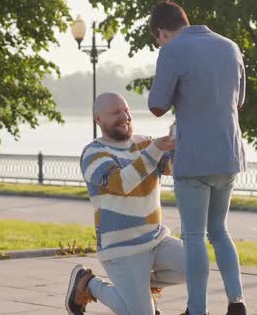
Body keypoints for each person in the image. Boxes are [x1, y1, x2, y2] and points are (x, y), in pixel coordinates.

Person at [147, 1, 247, 315]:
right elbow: (239, 101)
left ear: (163, 31)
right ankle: (237, 303)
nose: (160, 45)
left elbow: (156, 105)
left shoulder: (172, 50)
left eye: (157, 40)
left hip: (193, 158)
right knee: (219, 231)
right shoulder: (230, 47)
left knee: (193, 236)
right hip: (228, 154)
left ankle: (197, 310)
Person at [65, 92, 185, 315]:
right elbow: (120, 183)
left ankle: (137, 287)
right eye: (115, 112)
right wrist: (155, 149)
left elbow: (175, 168)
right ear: (98, 119)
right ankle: (89, 283)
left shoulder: (145, 143)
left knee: (197, 267)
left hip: (155, 239)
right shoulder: (93, 153)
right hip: (121, 248)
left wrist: (182, 133)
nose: (124, 116)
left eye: (126, 110)